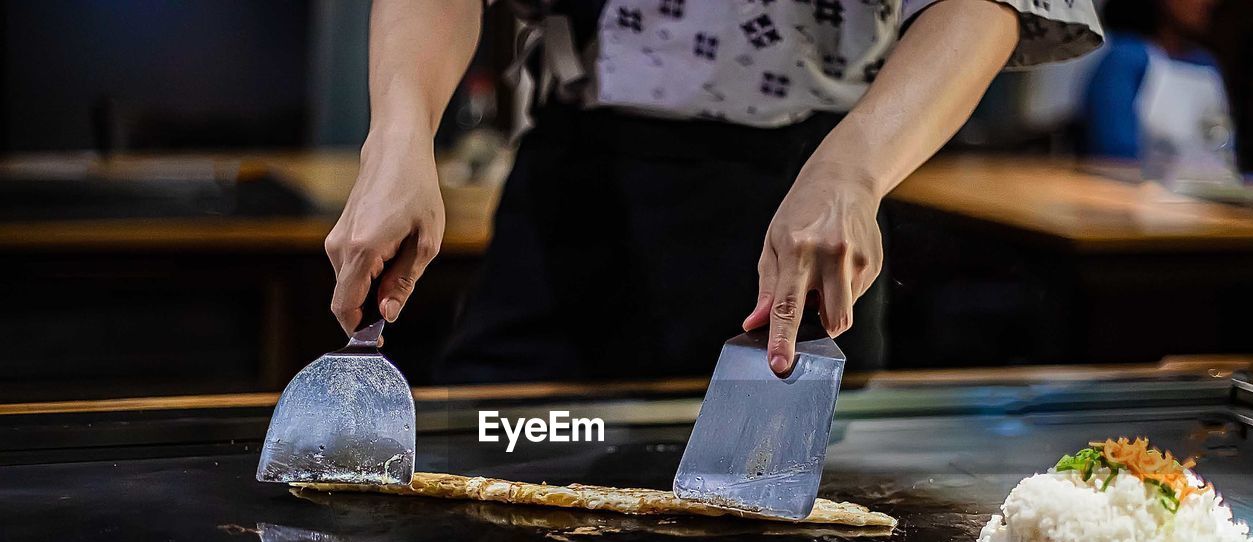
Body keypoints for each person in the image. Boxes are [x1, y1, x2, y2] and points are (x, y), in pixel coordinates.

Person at [327, 0, 1101, 384]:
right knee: (495, 500)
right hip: (574, 193)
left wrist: (854, 168)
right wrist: (398, 133)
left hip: (807, 193)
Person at [1082, 0, 1226, 160]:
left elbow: (1223, 148)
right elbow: (1115, 153)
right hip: (1136, 184)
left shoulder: (1206, 64)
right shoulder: (1127, 59)